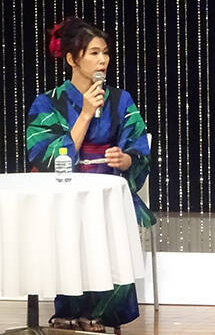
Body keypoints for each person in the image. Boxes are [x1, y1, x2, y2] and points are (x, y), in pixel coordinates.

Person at [25, 17, 154, 332]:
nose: (103, 60)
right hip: (65, 192)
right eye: (94, 53)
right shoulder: (48, 102)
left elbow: (139, 149)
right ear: (72, 59)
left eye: (105, 52)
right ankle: (68, 308)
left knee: (105, 233)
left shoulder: (120, 99)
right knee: (69, 231)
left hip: (108, 191)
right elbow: (44, 156)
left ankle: (102, 311)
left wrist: (125, 159)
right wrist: (84, 113)